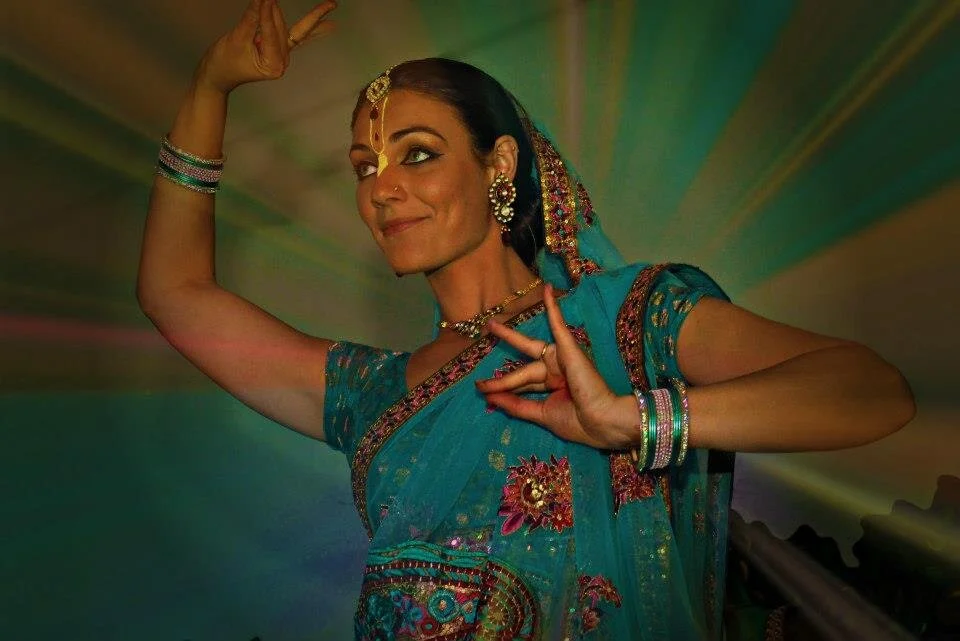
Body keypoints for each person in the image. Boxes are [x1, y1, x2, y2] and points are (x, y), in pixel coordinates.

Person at [137, 1, 916, 638]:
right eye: (365, 167)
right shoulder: (369, 394)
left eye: (416, 153)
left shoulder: (623, 319)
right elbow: (176, 294)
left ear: (499, 165)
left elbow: (870, 392)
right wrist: (210, 89)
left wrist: (631, 419)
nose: (381, 189)